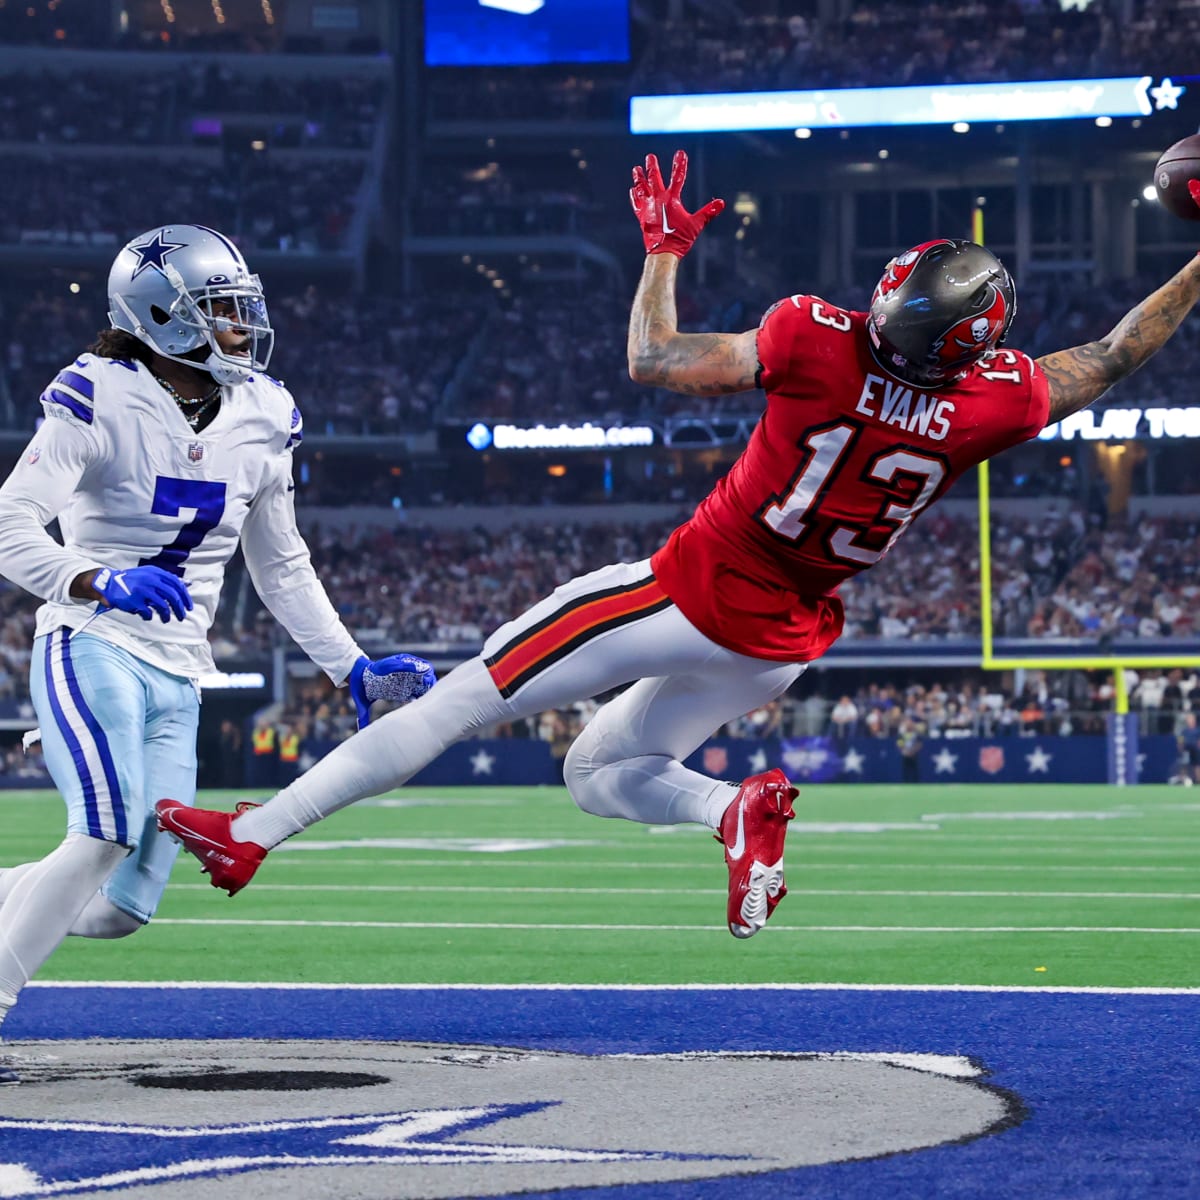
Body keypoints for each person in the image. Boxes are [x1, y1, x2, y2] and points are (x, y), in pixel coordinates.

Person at [160, 150, 1200, 944]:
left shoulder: (815, 338)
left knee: (461, 697)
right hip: (783, 643)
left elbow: (651, 358)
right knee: (597, 771)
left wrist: (662, 251)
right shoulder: (991, 402)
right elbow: (1113, 353)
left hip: (691, 589)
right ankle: (732, 809)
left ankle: (255, 835)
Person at [0, 225, 436, 1075]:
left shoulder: (267, 412)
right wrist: (93, 579)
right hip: (91, 640)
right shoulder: (97, 391)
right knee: (100, 833)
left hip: (180, 671)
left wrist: (349, 663)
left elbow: (280, 562)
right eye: (221, 311)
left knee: (123, 906)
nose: (242, 328)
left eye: (242, 310)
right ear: (162, 314)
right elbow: (9, 524)